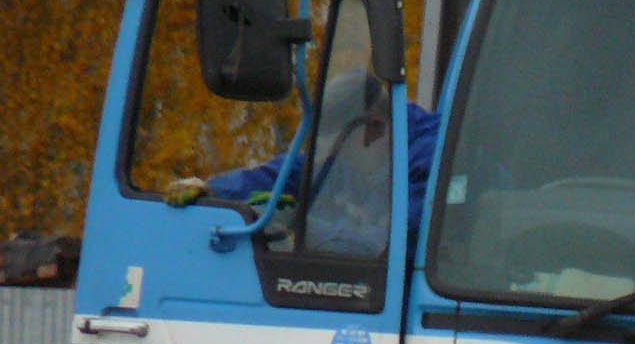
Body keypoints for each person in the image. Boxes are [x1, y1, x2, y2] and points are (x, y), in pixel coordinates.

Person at [165, 69, 441, 252]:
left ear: (375, 128)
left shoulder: (436, 160)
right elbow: (293, 171)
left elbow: (400, 242)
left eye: (339, 151)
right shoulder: (365, 150)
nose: (332, 161)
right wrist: (213, 190)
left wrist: (302, 227)